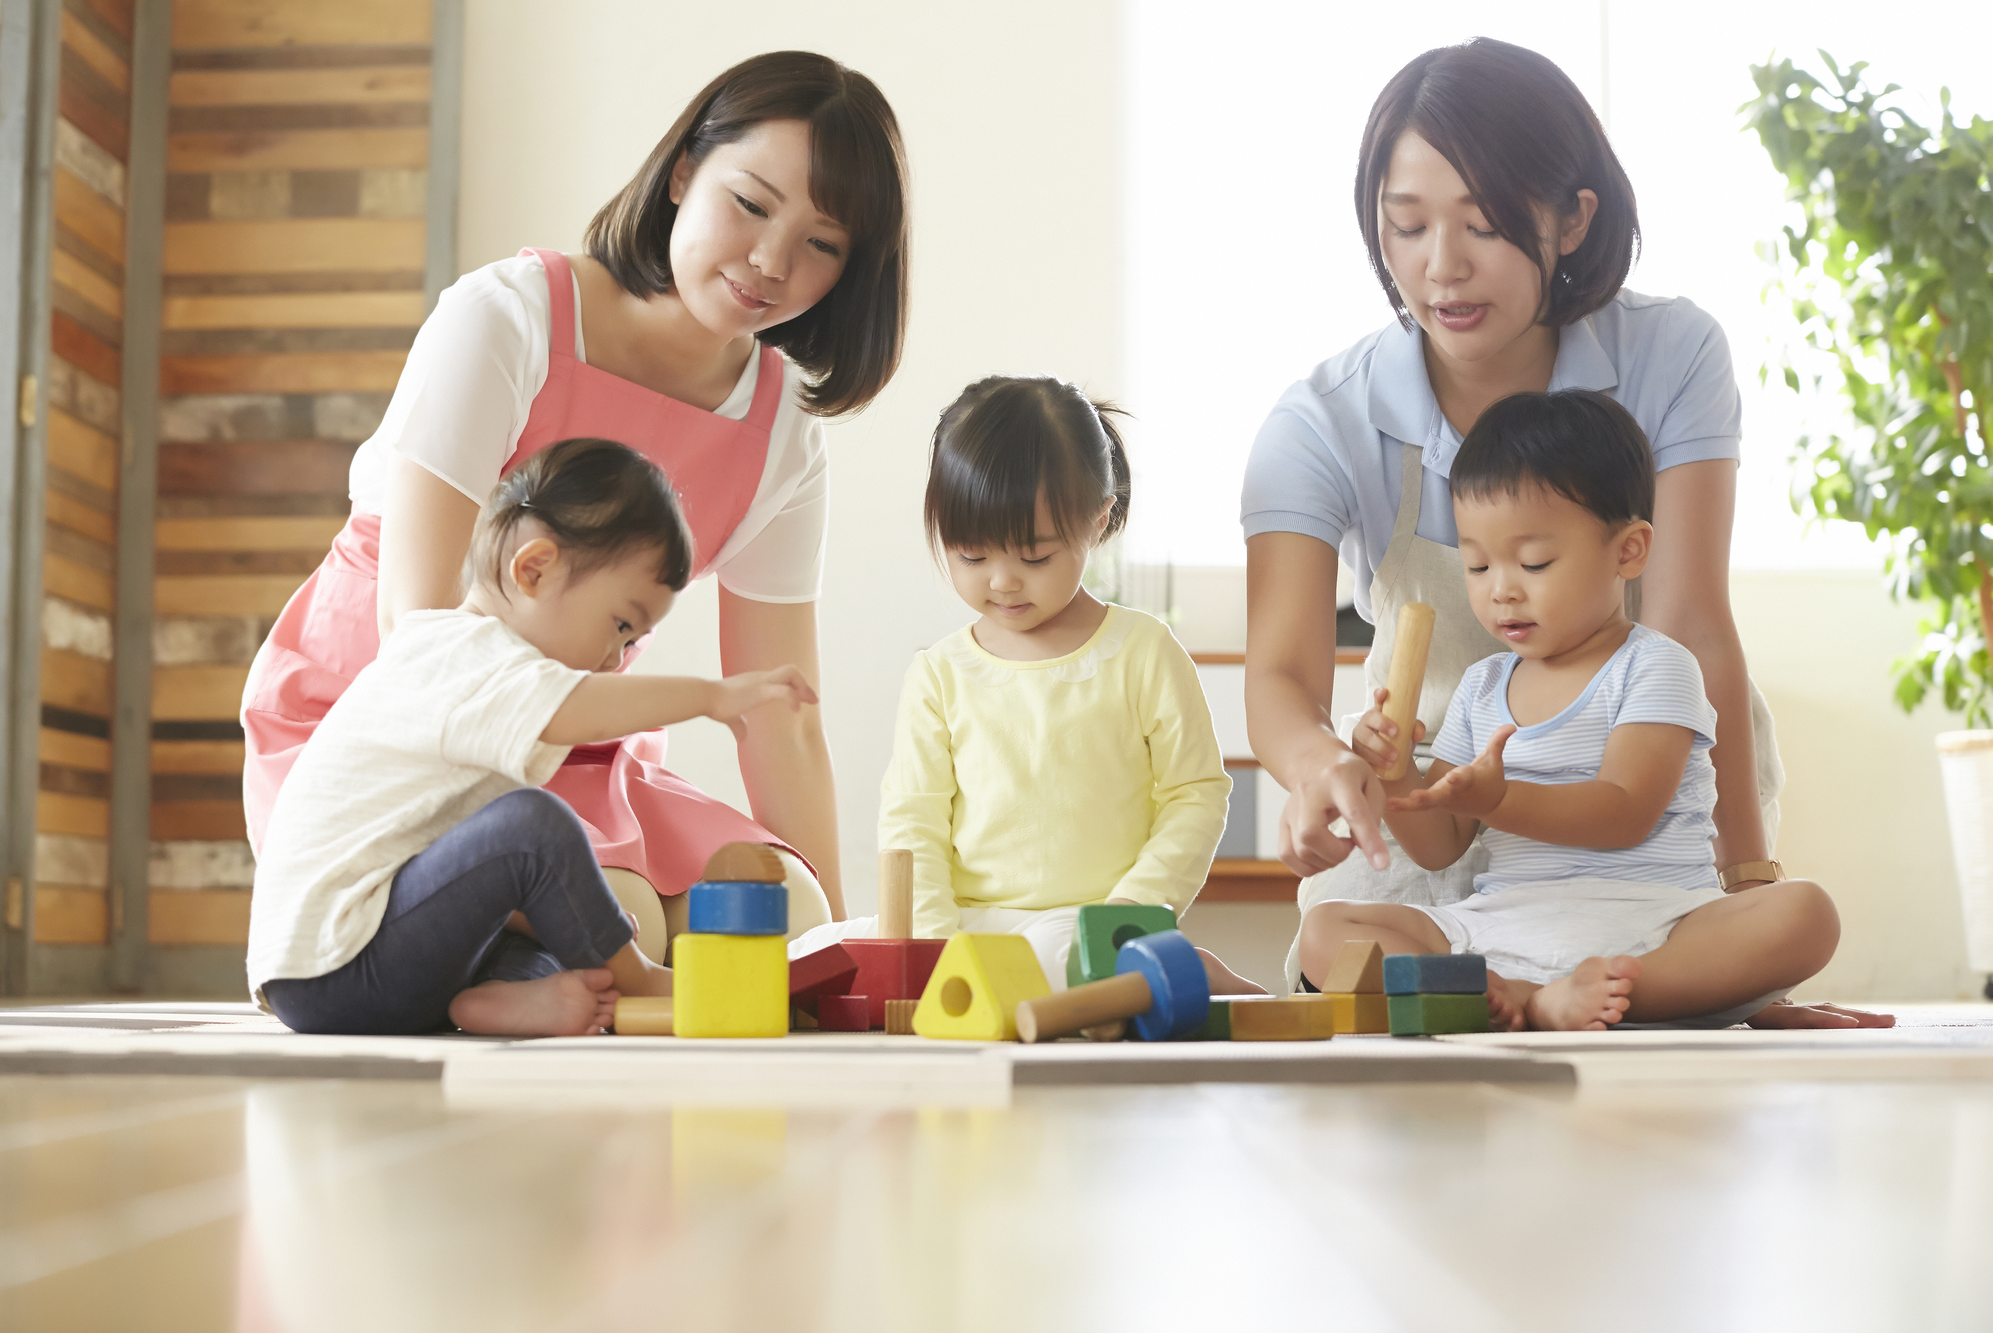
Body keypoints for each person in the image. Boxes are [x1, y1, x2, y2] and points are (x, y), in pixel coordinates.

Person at [1241, 37, 1883, 1026]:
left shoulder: (1672, 354)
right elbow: (1282, 676)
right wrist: (1342, 767)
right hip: (1449, 819)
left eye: (1483, 225)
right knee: (1337, 942)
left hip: (1649, 829)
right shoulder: (1319, 420)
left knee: (1794, 915)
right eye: (1405, 224)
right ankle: (1535, 994)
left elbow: (1688, 627)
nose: (1440, 267)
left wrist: (1744, 901)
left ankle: (1601, 989)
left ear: (1572, 219)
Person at [240, 51, 908, 958]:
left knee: (780, 907)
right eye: (751, 204)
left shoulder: (782, 432)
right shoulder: (508, 318)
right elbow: (416, 635)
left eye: (821, 244)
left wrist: (835, 946)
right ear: (683, 172)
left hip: (580, 739)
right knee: (618, 916)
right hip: (386, 722)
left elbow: (782, 715)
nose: (770, 261)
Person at [1302, 392, 1856, 1028]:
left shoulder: (1658, 666)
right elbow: (1440, 847)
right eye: (1477, 565)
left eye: (1533, 562)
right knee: (1327, 931)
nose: (1501, 589)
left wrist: (1499, 800)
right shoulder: (1482, 687)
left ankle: (1585, 998)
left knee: (1806, 914)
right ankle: (1533, 997)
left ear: (1628, 551)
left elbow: (1624, 811)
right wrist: (1398, 774)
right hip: (1502, 931)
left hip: (1655, 929)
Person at [249, 439, 817, 1036]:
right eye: (620, 625)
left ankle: (511, 997)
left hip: (370, 964)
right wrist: (710, 696)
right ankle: (640, 978)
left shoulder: (468, 673)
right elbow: (577, 711)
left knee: (543, 919)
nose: (615, 659)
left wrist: (574, 914)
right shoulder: (459, 654)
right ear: (535, 570)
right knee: (535, 823)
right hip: (336, 965)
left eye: (630, 642)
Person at [790, 376, 1260, 993]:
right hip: (965, 925)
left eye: (1034, 558)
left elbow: (1195, 794)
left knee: (1057, 963)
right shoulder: (940, 673)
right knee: (812, 953)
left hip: (1081, 924)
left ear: (1097, 520)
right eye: (972, 556)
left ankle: (1175, 969)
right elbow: (912, 823)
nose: (1003, 582)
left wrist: (1131, 913)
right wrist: (933, 950)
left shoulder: (1144, 652)